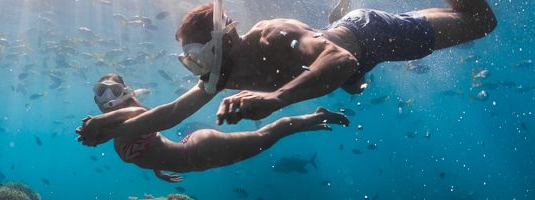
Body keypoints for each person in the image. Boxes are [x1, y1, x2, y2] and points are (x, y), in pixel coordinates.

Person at [78, 0, 496, 146]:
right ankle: (339, 13)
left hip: (370, 37)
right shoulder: (220, 73)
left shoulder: (273, 35)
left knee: (479, 21)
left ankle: (346, 15)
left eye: (200, 57)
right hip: (344, 57)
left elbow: (341, 61)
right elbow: (169, 114)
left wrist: (274, 101)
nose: (202, 70)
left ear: (224, 40)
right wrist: (112, 125)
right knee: (350, 86)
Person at [79, 74, 349, 182]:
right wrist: (157, 169)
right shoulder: (120, 127)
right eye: (100, 93)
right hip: (191, 151)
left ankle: (316, 116)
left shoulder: (132, 117)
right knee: (265, 137)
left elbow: (140, 113)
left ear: (125, 93)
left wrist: (101, 120)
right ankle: (313, 119)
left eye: (112, 90)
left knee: (267, 135)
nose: (106, 97)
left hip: (197, 152)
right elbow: (150, 146)